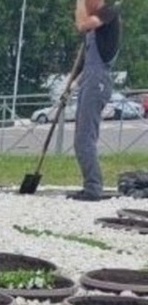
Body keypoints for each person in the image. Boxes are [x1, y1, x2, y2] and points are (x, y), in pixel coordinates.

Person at [70, 0, 121, 201]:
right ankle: (90, 184)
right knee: (80, 138)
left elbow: (82, 24)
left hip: (98, 80)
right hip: (89, 79)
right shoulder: (94, 29)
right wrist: (72, 82)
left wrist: (80, 2)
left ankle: (93, 188)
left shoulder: (110, 12)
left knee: (85, 137)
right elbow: (84, 61)